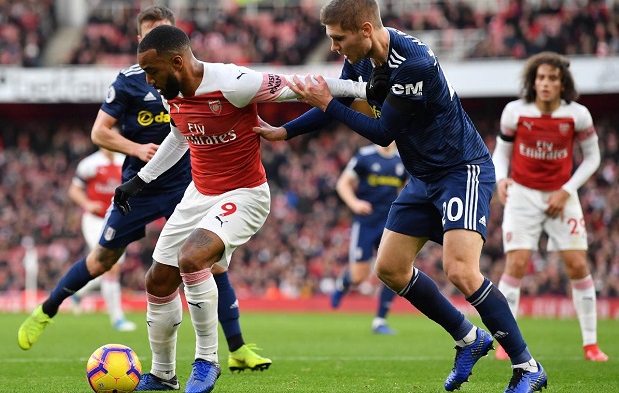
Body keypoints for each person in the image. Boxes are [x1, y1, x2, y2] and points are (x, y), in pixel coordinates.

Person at [253, 1, 547, 392]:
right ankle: (469, 338)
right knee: (389, 267)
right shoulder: (359, 58)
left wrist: (323, 102)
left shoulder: (414, 64)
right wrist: (284, 131)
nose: (335, 48)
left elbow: (382, 132)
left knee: (460, 270)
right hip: (423, 176)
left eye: (339, 39)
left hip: (461, 170)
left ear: (364, 29)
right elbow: (339, 102)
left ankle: (527, 367)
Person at [17, 6, 273, 381]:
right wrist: (136, 150)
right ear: (140, 41)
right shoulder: (130, 82)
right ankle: (46, 310)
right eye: (150, 32)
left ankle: (235, 350)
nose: (156, 38)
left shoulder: (191, 80)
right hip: (140, 181)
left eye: (164, 31)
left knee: (208, 260)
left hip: (185, 182)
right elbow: (99, 132)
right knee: (102, 260)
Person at [113, 24, 367, 393]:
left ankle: (207, 362)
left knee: (192, 257)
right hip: (198, 194)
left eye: (152, 71)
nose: (149, 80)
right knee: (157, 280)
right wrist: (140, 181)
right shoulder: (172, 93)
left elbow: (305, 84)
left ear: (178, 61)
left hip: (245, 194)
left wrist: (363, 89)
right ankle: (163, 376)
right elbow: (180, 135)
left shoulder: (234, 82)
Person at [491, 51, 608, 362]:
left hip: (561, 196)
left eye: (552, 78)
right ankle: (506, 342)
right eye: (540, 77)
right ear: (533, 81)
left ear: (562, 83)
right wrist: (501, 179)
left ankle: (591, 346)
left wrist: (566, 190)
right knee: (515, 265)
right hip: (523, 195)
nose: (545, 83)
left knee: (578, 266)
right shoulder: (514, 112)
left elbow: (593, 158)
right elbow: (501, 154)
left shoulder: (578, 115)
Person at [331, 142, 408, 335]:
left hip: (390, 224)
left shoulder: (402, 160)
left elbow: (409, 188)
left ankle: (380, 321)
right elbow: (343, 183)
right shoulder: (365, 156)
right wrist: (354, 203)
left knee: (392, 271)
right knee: (359, 276)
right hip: (366, 223)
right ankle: (344, 283)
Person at [67, 146, 136, 331]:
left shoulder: (125, 161)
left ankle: (79, 291)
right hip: (95, 221)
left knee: (109, 267)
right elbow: (74, 190)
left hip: (118, 220)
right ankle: (117, 319)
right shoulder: (90, 164)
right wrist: (87, 203)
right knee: (110, 267)